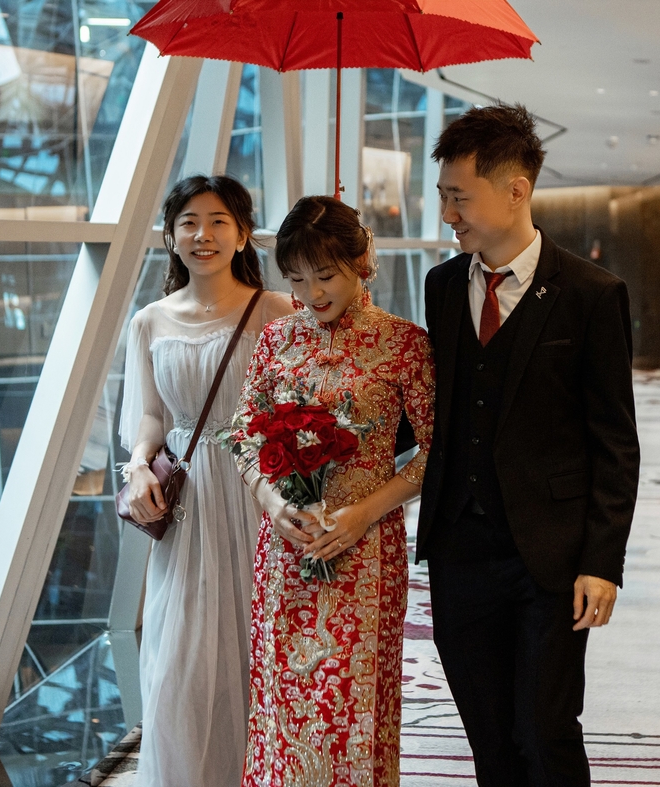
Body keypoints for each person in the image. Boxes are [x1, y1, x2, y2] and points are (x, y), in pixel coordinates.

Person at [416, 103, 641, 786]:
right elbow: (437, 407)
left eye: (459, 197)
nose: (447, 214)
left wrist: (602, 560)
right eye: (443, 196)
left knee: (545, 729)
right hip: (460, 551)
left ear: (516, 189)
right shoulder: (442, 286)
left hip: (551, 555)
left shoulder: (592, 294)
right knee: (488, 736)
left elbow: (615, 439)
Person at [234, 196, 435, 786]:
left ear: (360, 261)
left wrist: (363, 514)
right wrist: (273, 503)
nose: (311, 293)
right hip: (286, 549)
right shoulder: (276, 339)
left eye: (324, 275)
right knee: (282, 700)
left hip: (365, 551)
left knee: (352, 702)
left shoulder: (404, 344)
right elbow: (244, 435)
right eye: (296, 279)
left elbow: (437, 451)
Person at [117, 175, 294, 787]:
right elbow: (151, 416)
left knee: (259, 649)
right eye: (188, 222)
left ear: (243, 235)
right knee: (180, 662)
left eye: (219, 221)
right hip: (190, 500)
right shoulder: (149, 321)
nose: (203, 234)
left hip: (259, 492)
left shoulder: (277, 310)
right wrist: (139, 465)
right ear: (170, 236)